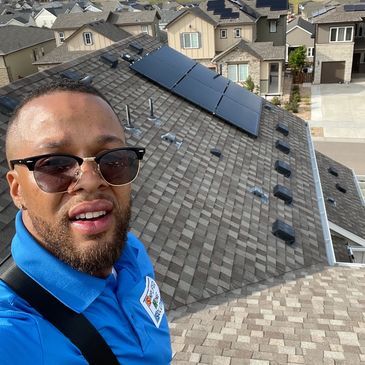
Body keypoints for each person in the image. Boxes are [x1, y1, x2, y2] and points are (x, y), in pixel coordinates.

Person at [0, 79, 172, 364]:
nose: (91, 180)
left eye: (112, 158)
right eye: (54, 165)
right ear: (17, 190)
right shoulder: (13, 335)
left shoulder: (130, 251)